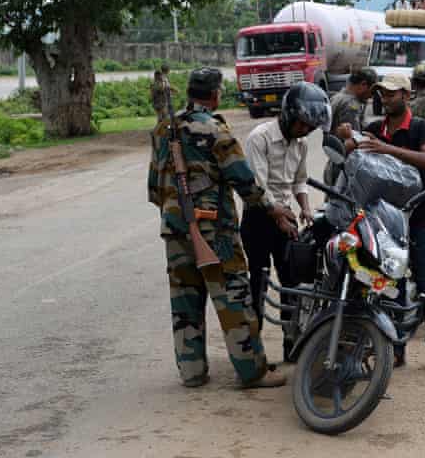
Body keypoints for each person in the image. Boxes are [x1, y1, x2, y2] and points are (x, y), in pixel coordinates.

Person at [147, 67, 289, 389]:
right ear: (215, 95)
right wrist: (272, 208)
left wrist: (177, 216)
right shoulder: (215, 131)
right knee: (234, 300)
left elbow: (155, 186)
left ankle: (192, 372)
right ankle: (252, 370)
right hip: (216, 233)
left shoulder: (163, 130)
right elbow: (246, 182)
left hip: (174, 230)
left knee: (185, 301)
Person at [357, 74, 425, 374]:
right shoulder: (374, 128)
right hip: (384, 221)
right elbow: (356, 156)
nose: (385, 98)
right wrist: (347, 139)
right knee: (389, 285)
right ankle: (394, 350)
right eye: (381, 93)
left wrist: (388, 150)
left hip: (417, 218)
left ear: (407, 96)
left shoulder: (420, 126)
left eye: (391, 93)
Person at [242, 81, 330, 362]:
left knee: (292, 283)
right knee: (258, 282)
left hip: (287, 218)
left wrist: (304, 207)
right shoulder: (260, 138)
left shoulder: (301, 144)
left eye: (310, 128)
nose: (305, 131)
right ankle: (254, 355)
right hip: (258, 217)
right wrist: (277, 213)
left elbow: (300, 179)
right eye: (302, 125)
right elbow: (258, 185)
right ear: (289, 115)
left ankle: (291, 345)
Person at [323, 68, 377, 185]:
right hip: (346, 166)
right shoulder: (351, 104)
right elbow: (354, 140)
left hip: (334, 161)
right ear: (363, 85)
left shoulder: (337, 97)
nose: (370, 97)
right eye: (371, 92)